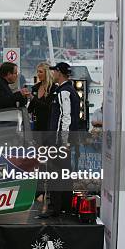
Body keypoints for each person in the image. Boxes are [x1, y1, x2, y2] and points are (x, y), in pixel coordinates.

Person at [43, 62, 81, 217]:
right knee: (65, 173)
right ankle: (66, 206)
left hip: (59, 140)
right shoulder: (70, 90)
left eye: (54, 71)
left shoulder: (63, 92)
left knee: (55, 173)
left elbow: (65, 117)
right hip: (67, 139)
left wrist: (62, 141)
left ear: (59, 72)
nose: (52, 74)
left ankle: (55, 208)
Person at [28, 62, 56, 136]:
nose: (38, 74)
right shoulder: (35, 88)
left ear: (47, 73)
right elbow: (30, 108)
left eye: (40, 72)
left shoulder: (53, 89)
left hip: (48, 125)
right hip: (36, 125)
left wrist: (32, 98)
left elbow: (48, 107)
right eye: (37, 72)